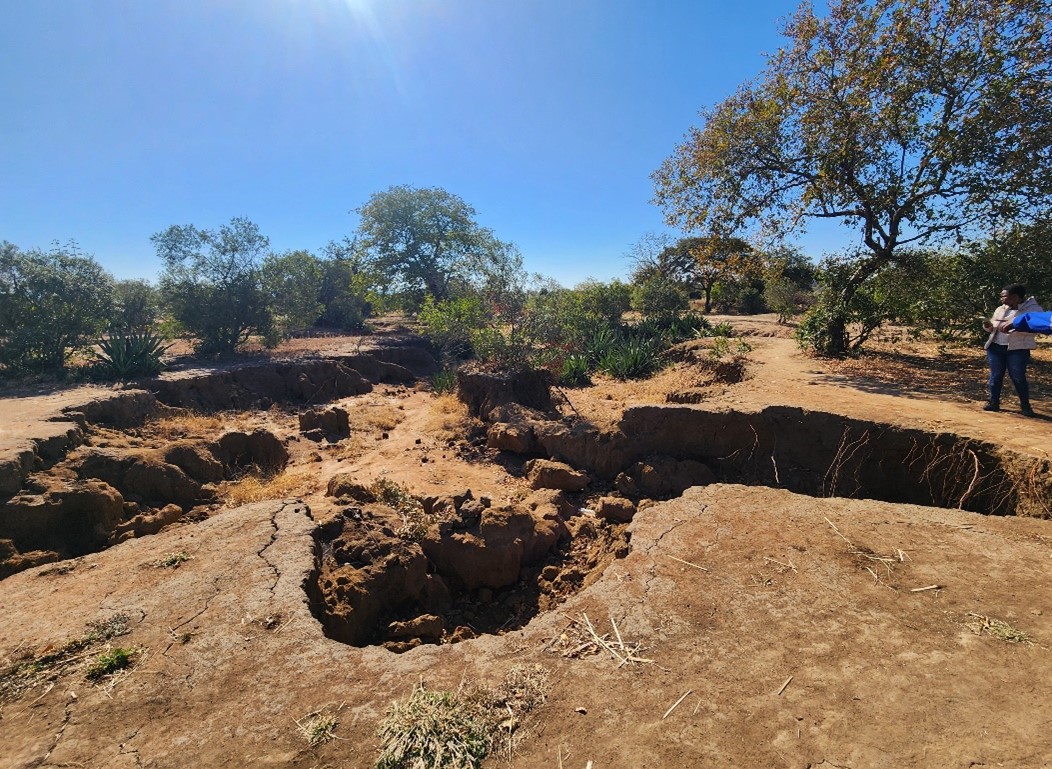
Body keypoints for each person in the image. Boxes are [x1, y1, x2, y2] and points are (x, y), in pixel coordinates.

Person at [982, 284, 1043, 416]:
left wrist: (1015, 326)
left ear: (1015, 297)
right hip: (996, 346)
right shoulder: (1000, 309)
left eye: (1004, 296)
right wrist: (988, 326)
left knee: (1018, 377)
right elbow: (993, 328)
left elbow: (1036, 328)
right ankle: (993, 402)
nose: (1002, 299)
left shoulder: (1033, 310)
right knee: (996, 376)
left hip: (1018, 348)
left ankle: (1025, 406)